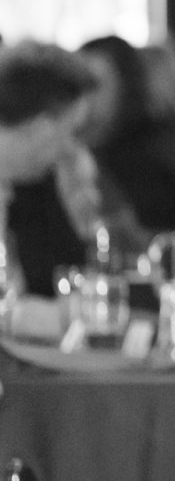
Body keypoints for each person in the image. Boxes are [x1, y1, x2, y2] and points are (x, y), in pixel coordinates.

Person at [77, 34, 175, 241]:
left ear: (125, 84)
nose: (84, 98)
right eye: (76, 85)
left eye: (94, 85)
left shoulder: (156, 151)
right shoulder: (65, 152)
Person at [0, 41, 99, 319]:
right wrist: (63, 318)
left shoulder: (39, 184)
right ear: (42, 130)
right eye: (72, 131)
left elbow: (73, 269)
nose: (73, 148)